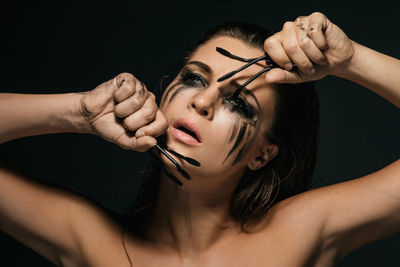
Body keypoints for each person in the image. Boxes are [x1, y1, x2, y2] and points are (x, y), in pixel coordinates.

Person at [0, 11, 399, 266]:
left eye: (239, 104)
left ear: (263, 154)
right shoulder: (86, 238)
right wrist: (78, 112)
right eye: (194, 79)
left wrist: (352, 60)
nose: (203, 101)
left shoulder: (303, 232)